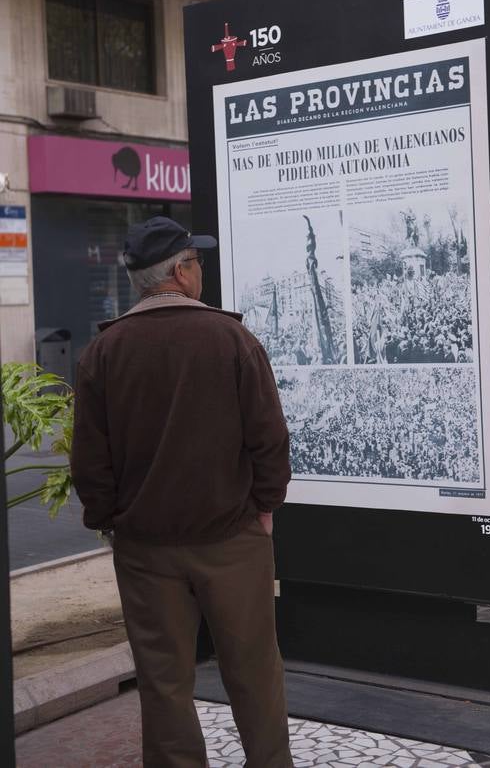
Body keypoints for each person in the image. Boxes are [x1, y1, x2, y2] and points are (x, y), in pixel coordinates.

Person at [70, 216, 293, 768]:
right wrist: (264, 507)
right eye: (197, 261)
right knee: (254, 673)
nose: (201, 270)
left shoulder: (103, 353)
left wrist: (109, 518)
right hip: (232, 539)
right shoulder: (232, 338)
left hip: (145, 549)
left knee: (164, 683)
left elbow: (90, 462)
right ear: (183, 273)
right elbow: (269, 439)